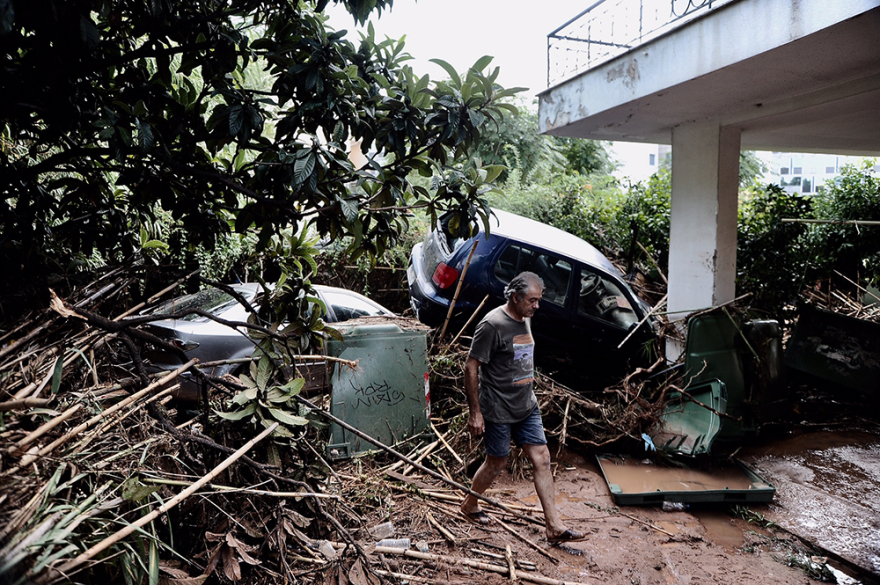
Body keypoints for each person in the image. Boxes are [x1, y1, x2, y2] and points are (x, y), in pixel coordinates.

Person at [459, 271, 585, 544]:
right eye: (532, 300)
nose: (537, 306)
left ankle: (554, 527)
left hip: (526, 405)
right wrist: (475, 412)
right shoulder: (492, 325)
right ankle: (469, 505)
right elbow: (471, 366)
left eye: (538, 300)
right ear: (515, 298)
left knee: (542, 458)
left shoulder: (526, 317)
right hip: (499, 408)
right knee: (497, 463)